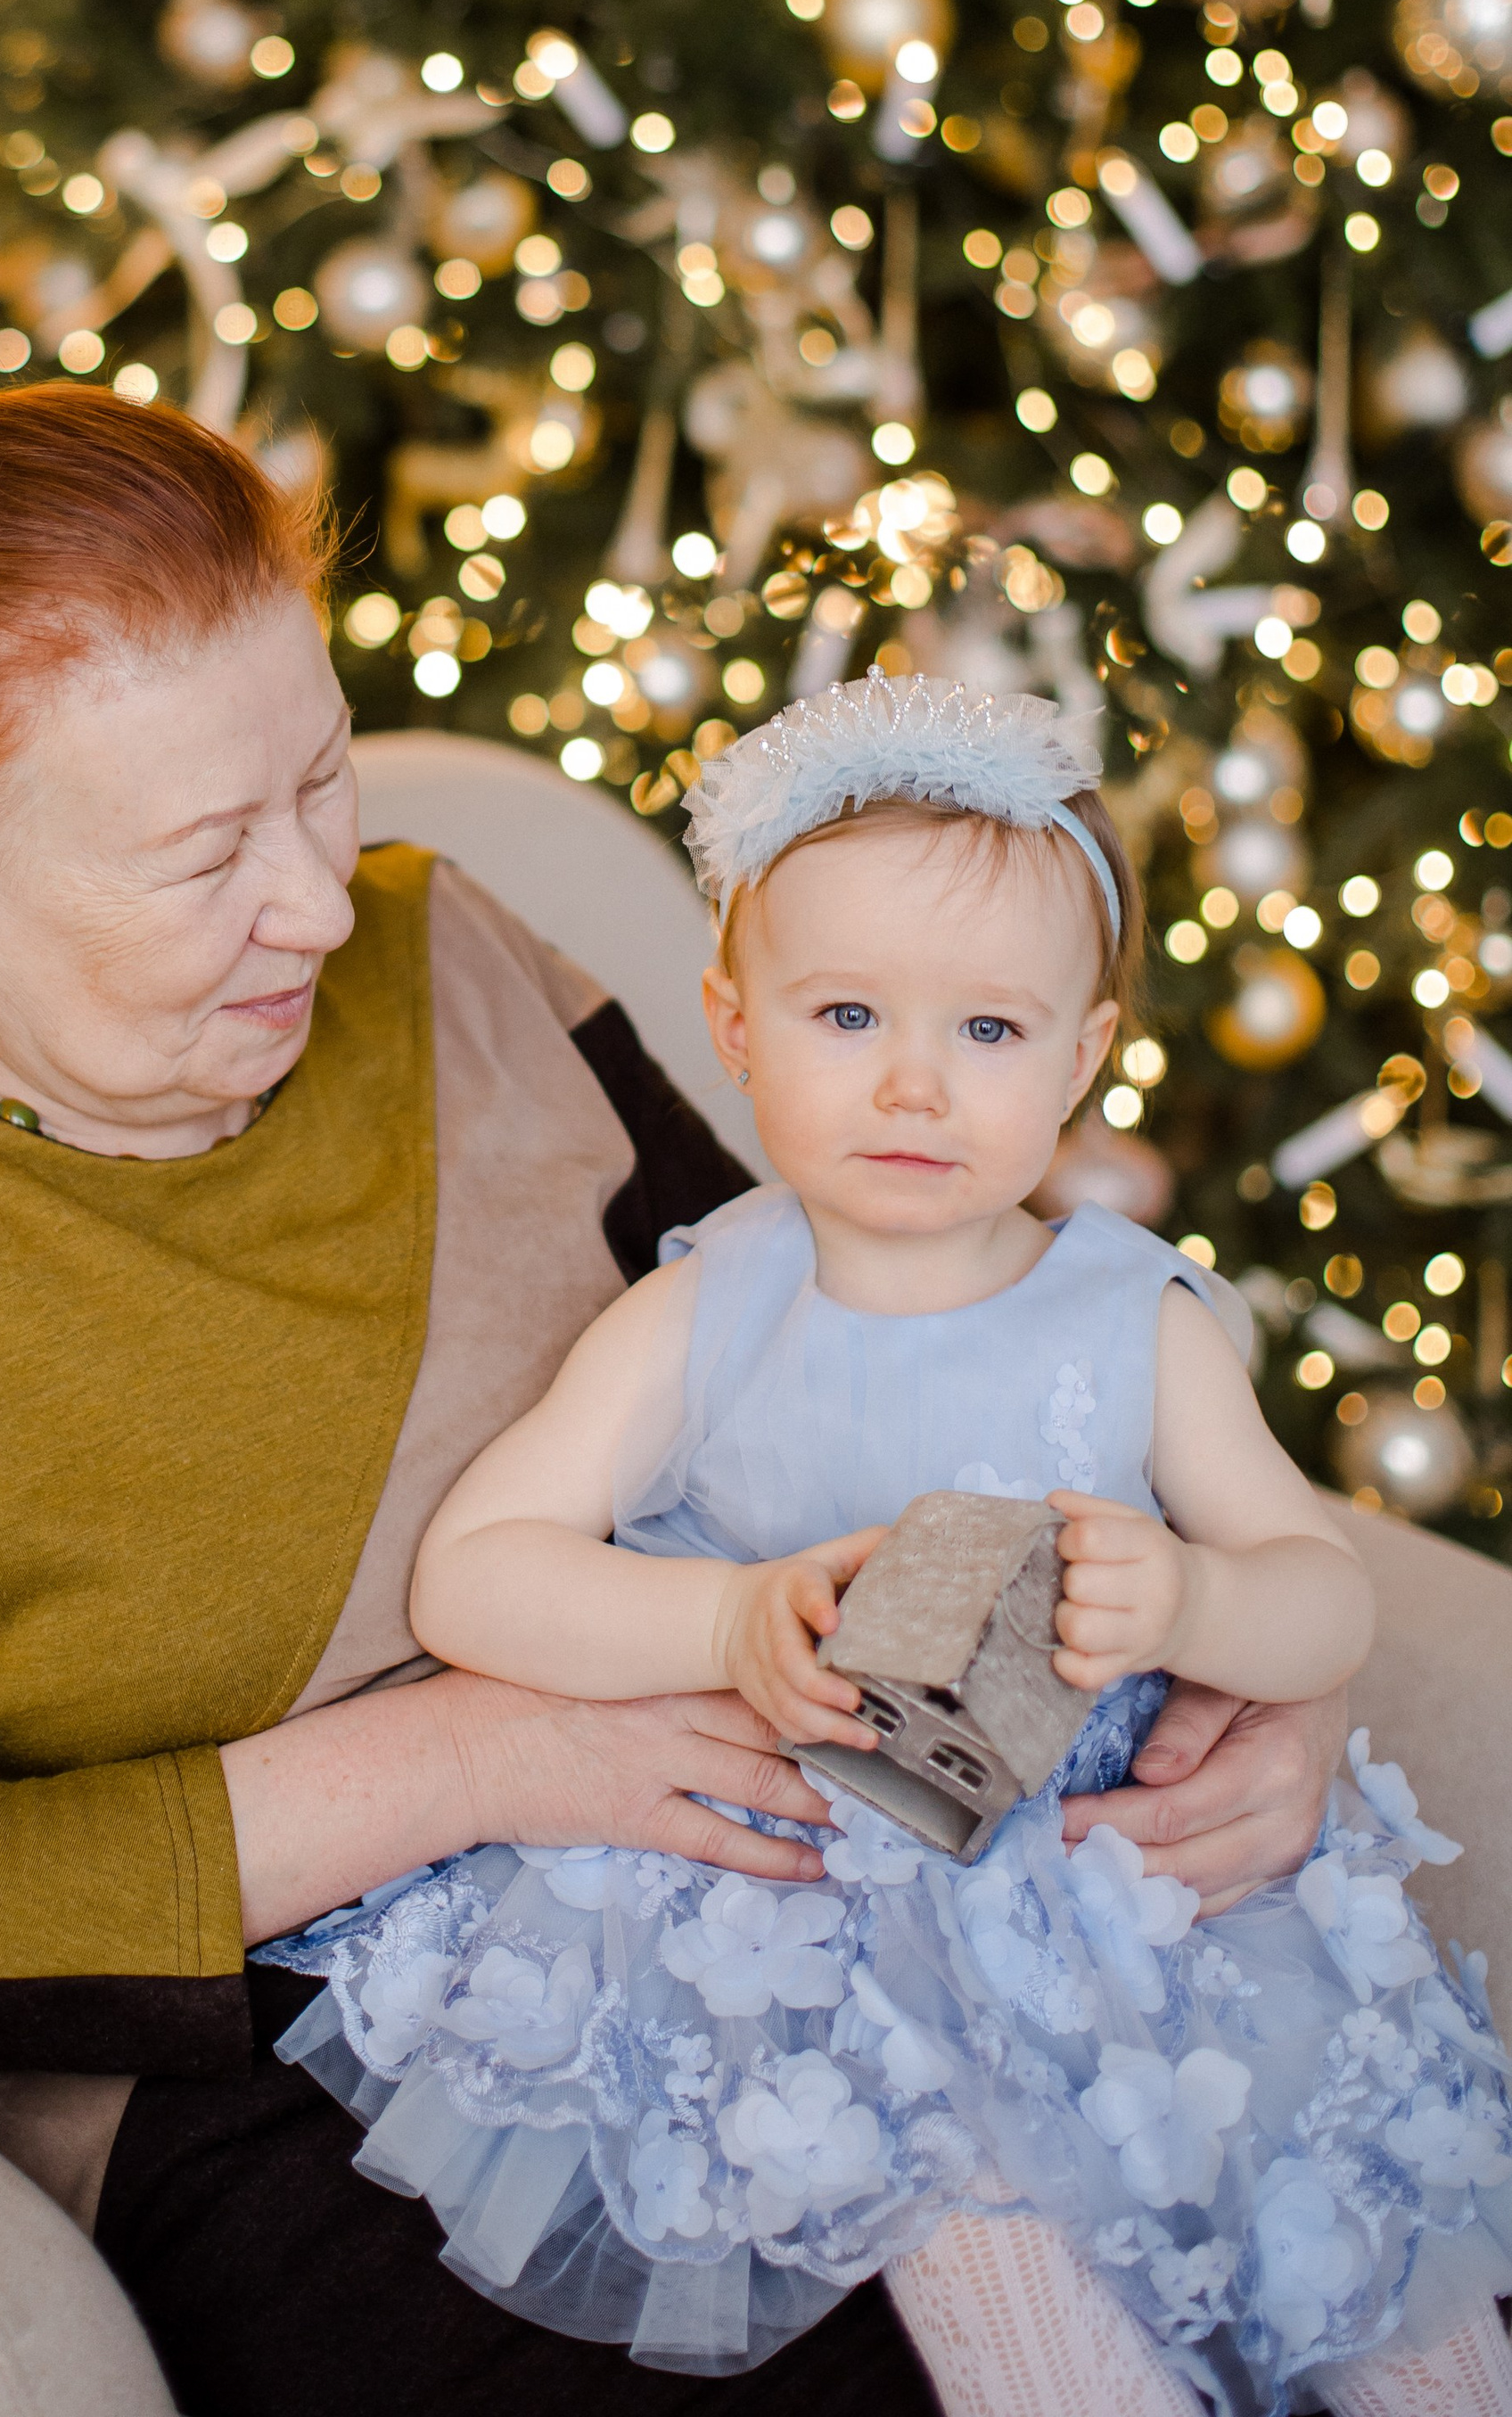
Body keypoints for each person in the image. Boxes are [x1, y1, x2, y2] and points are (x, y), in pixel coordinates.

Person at [0, 390, 1354, 2417]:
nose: (323, 905)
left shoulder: (446, 947)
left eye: (318, 780)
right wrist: (467, 1760)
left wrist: (1254, 1663)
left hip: (823, 1863)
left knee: (1284, 2284)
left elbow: (880, 1338)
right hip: (285, 2057)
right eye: (199, 857)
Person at [269, 677, 1512, 2417]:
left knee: (1355, 2240)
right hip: (827, 1900)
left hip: (1119, 1885)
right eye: (845, 1014)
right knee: (993, 2271)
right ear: (735, 1022)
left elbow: (1321, 1598)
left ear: (1080, 1055)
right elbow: (472, 1574)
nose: (915, 1084)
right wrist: (723, 1622)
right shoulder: (703, 1309)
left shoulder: (1123, 1320)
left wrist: (1203, 1596)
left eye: (989, 1034)